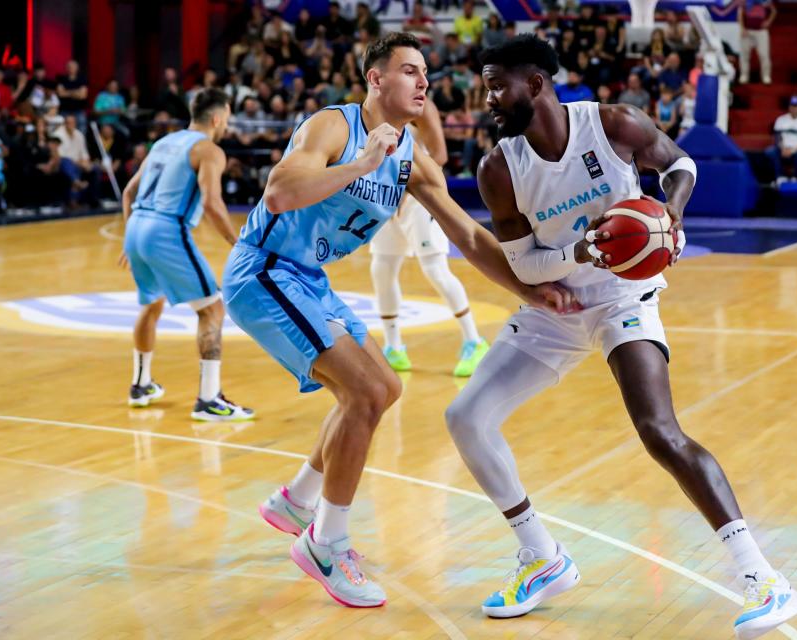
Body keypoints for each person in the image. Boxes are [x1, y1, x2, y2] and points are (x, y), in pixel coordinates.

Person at [445, 34, 797, 638]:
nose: (487, 95)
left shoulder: (613, 125)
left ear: (535, 84)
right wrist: (578, 250)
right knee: (466, 416)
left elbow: (680, 164)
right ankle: (543, 558)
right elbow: (527, 267)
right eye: (485, 82)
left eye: (497, 83)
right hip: (554, 310)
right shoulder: (498, 168)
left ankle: (764, 578)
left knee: (659, 432)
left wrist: (672, 213)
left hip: (622, 298)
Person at [224, 33, 570, 609]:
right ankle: (326, 544)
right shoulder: (333, 126)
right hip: (264, 270)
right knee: (365, 393)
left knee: (382, 390)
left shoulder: (413, 157)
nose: (422, 81)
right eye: (409, 70)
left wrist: (527, 289)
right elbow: (280, 192)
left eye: (425, 73)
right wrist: (363, 163)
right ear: (376, 80)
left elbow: (466, 234)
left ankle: (297, 501)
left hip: (309, 278)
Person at [119, 88, 254, 421]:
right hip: (166, 229)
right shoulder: (209, 150)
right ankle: (209, 399)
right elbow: (211, 203)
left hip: (137, 226)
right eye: (228, 118)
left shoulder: (164, 143)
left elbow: (128, 191)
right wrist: (237, 244)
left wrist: (129, 237)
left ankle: (141, 384)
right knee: (212, 310)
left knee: (151, 304)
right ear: (218, 117)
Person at [369, 99, 489, 376]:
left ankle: (474, 341)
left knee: (435, 269)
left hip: (418, 196)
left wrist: (407, 184)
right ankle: (393, 347)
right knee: (382, 269)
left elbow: (439, 156)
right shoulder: (368, 109)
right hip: (385, 198)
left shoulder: (421, 106)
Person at [738, 0, 776, 84]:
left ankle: (766, 76)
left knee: (764, 54)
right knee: (744, 55)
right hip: (747, 31)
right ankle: (744, 75)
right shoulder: (746, 1)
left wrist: (769, 22)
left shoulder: (765, 1)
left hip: (761, 31)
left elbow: (774, 11)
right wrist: (742, 28)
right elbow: (740, 13)